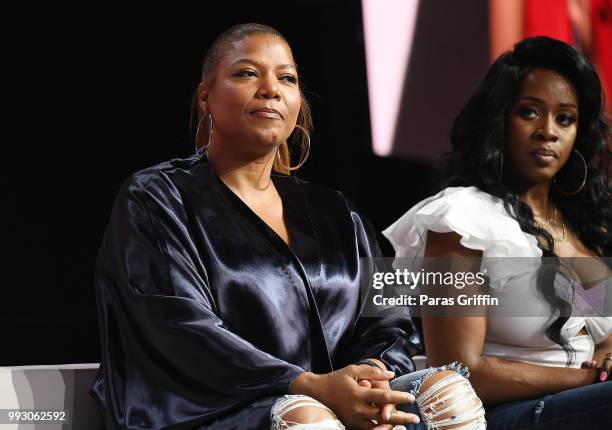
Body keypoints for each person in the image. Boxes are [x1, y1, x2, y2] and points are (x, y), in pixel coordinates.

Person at [90, 23, 485, 429]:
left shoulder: (335, 211)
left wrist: (368, 375)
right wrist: (308, 386)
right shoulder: (157, 197)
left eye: (287, 78)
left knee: (445, 393)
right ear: (205, 97)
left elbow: (388, 317)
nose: (270, 88)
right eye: (246, 73)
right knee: (306, 420)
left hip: (336, 400)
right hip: (209, 408)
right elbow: (180, 327)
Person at [384, 36, 612, 429]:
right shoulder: (460, 218)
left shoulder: (581, 225)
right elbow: (455, 368)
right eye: (529, 112)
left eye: (565, 118)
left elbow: (601, 334)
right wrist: (591, 379)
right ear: (499, 119)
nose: (548, 131)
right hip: (504, 416)